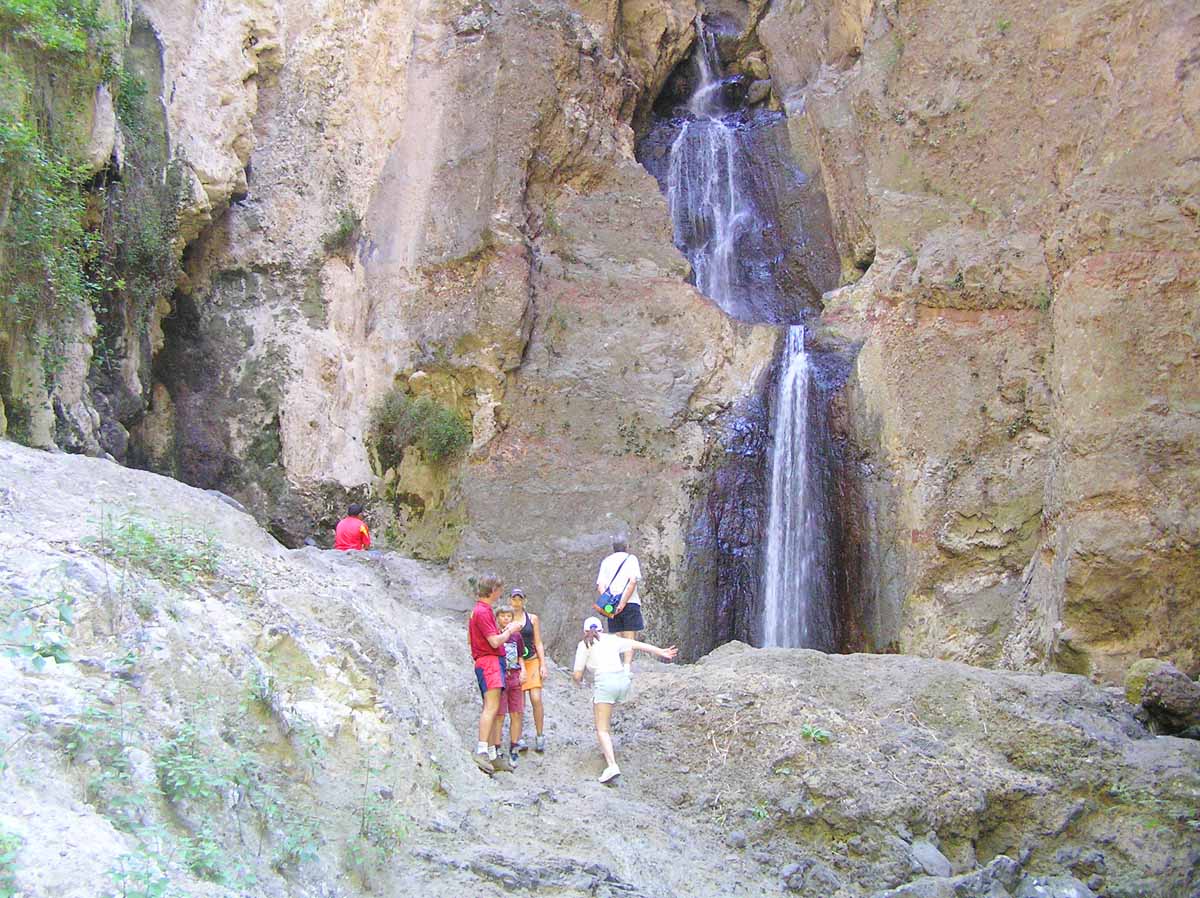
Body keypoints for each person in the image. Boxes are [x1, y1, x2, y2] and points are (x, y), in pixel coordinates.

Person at [572, 616, 677, 783]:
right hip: (623, 683)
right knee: (606, 705)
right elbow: (636, 644)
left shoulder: (584, 644)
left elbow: (577, 675)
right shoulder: (613, 639)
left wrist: (578, 681)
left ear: (585, 631)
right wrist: (661, 651)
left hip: (606, 684)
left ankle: (612, 765)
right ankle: (610, 740)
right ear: (601, 629)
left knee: (602, 729)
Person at [468, 575, 522, 774]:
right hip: (489, 661)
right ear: (492, 590)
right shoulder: (482, 611)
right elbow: (494, 642)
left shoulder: (481, 611)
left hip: (490, 661)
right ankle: (482, 750)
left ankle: (492, 753)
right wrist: (511, 630)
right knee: (491, 707)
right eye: (498, 589)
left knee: (495, 706)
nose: (500, 593)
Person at [510, 588, 548, 753]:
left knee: (536, 698)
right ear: (510, 600)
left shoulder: (532, 619)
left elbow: (538, 641)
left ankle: (540, 735)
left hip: (532, 660)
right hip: (517, 664)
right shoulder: (507, 619)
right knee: (520, 702)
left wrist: (543, 664)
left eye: (519, 599)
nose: (517, 602)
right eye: (514, 599)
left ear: (524, 600)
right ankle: (519, 737)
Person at [596, 536, 643, 669]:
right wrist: (623, 603)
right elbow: (632, 581)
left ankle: (616, 665)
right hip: (630, 602)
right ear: (626, 546)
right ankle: (627, 666)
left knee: (616, 635)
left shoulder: (606, 561)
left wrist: (608, 603)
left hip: (611, 604)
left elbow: (601, 585)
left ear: (613, 548)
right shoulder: (631, 559)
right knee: (629, 635)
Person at [494, 604, 527, 766]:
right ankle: (497, 747)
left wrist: (524, 670)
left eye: (509, 616)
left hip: (514, 675)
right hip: (500, 677)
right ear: (497, 618)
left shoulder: (517, 636)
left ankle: (514, 746)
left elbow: (521, 655)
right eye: (503, 616)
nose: (506, 619)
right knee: (499, 714)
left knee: (516, 712)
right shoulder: (495, 635)